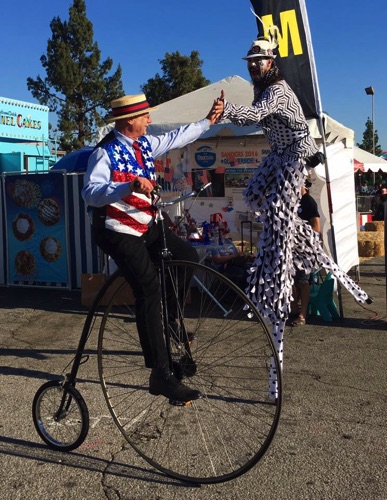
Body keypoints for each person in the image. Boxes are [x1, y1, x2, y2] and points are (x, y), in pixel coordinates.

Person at [213, 30, 372, 397]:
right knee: (253, 194)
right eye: (250, 62)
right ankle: (291, 228)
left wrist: (228, 111)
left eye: (258, 62)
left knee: (280, 218)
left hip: (295, 156)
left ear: (272, 63)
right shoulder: (261, 87)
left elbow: (256, 115)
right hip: (277, 155)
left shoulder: (278, 91)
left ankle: (291, 236)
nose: (253, 67)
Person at [82, 93, 220, 403]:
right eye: (145, 115)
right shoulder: (105, 153)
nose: (150, 119)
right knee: (148, 289)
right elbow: (90, 193)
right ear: (129, 120)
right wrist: (128, 185)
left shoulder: (144, 144)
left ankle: (169, 321)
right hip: (118, 230)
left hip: (147, 224)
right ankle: (160, 374)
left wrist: (207, 121)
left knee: (186, 255)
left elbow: (175, 137)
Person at [289, 180, 321, 326]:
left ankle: (302, 315)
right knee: (289, 280)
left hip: (304, 250)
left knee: (302, 282)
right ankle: (294, 309)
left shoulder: (308, 201)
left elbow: (316, 227)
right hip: (290, 249)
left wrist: (301, 235)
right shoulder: (290, 201)